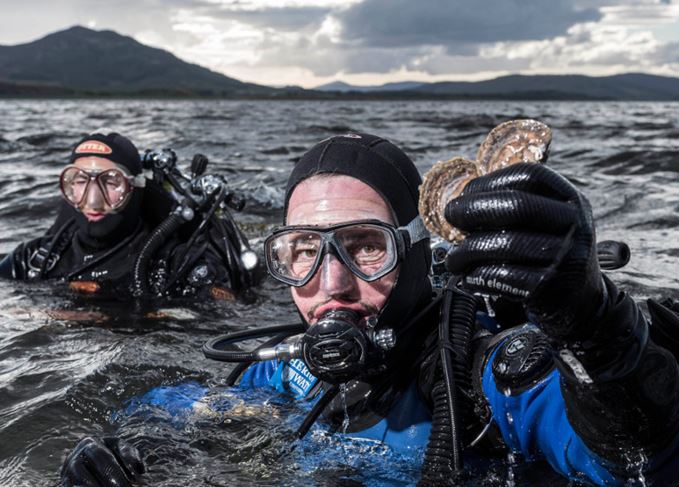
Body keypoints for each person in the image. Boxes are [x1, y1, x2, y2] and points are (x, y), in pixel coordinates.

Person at [60, 133, 679, 486]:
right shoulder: (283, 373)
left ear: (414, 254)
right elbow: (180, 411)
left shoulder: (493, 378)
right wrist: (130, 449)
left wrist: (593, 328)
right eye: (301, 250)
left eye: (364, 246)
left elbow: (641, 468)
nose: (330, 283)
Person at [0, 132, 257, 299]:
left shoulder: (176, 266)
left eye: (111, 182)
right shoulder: (32, 260)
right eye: (79, 181)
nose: (92, 199)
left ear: (134, 189)